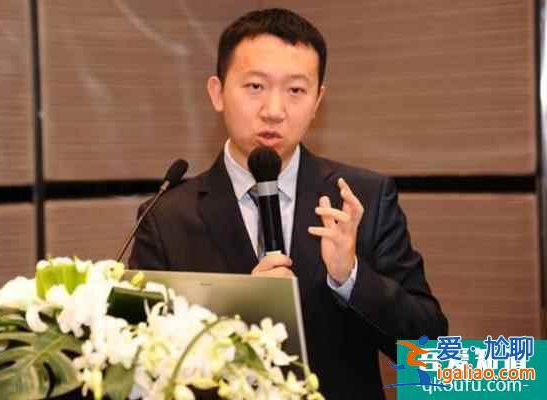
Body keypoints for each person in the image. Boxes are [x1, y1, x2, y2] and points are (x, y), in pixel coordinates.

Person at [129, 8, 448, 399]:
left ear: (317, 101)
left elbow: (431, 351)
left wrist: (351, 277)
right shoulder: (166, 217)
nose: (274, 110)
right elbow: (141, 363)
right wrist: (244, 312)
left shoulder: (362, 198)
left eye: (296, 91)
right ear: (217, 92)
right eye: (255, 87)